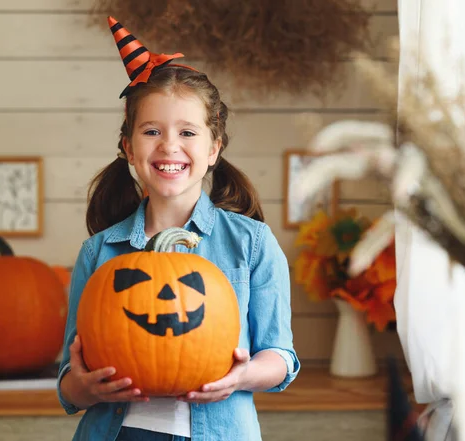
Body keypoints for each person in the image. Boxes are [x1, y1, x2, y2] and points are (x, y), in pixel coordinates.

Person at [56, 16, 300, 441]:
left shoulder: (251, 244)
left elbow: (280, 355)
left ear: (213, 149)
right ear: (129, 149)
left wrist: (240, 378)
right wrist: (84, 388)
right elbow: (68, 382)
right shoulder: (99, 252)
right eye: (152, 131)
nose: (169, 145)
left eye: (187, 132)